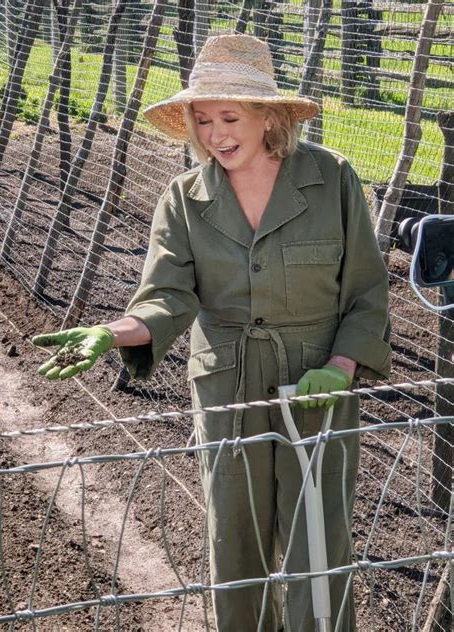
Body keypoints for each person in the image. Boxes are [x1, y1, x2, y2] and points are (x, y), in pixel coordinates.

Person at [33, 34, 391, 632]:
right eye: (203, 119)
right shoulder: (184, 198)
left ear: (269, 117)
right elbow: (166, 296)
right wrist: (113, 331)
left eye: (230, 117)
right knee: (235, 545)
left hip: (317, 380)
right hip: (226, 383)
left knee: (319, 548)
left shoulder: (332, 179)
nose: (216, 133)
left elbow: (366, 292)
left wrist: (342, 367)